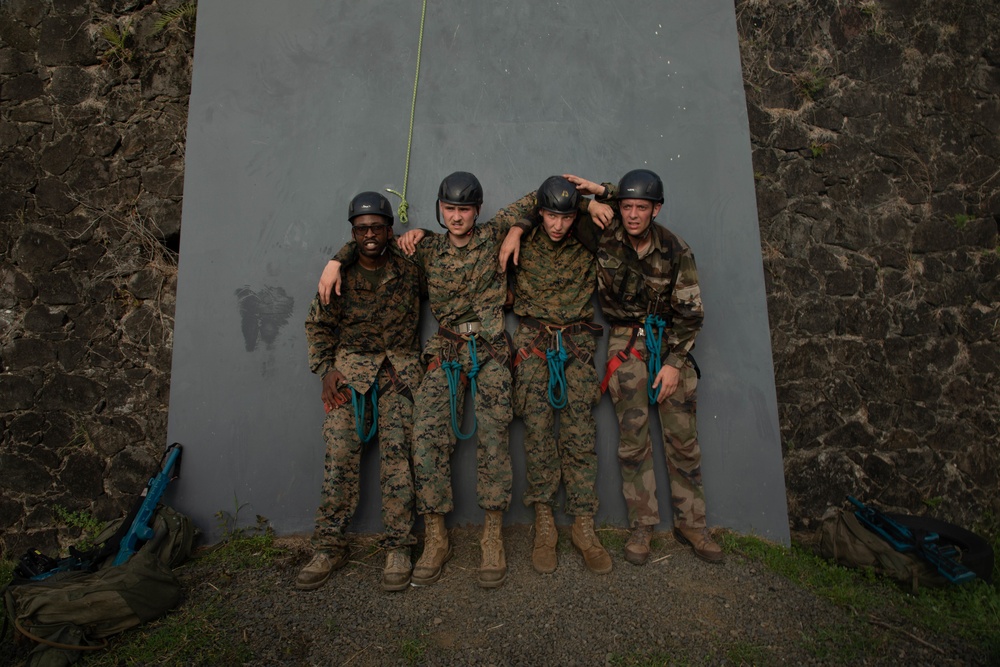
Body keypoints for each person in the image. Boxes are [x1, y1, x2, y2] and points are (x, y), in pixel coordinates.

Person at [318, 172, 536, 588]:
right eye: (450, 209)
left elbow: (536, 199)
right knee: (425, 438)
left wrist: (517, 231)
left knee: (493, 436)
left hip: (489, 348)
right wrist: (336, 260)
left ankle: (492, 537)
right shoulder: (425, 250)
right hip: (445, 352)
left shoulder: (492, 236)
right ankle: (436, 537)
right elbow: (372, 245)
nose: (456, 217)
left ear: (477, 211)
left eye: (464, 209)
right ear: (441, 209)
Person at [560, 170, 724, 564]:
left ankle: (693, 525)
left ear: (656, 209)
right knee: (633, 441)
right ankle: (643, 524)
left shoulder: (675, 249)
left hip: (669, 343)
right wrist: (596, 197)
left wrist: (672, 364)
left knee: (682, 439)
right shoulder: (603, 233)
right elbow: (554, 205)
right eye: (627, 206)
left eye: (641, 207)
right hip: (625, 342)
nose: (633, 214)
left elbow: (691, 314)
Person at [299, 191, 423, 592]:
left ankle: (398, 548)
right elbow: (317, 327)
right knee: (338, 456)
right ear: (353, 233)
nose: (369, 235)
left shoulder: (409, 266)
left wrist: (419, 232)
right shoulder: (338, 275)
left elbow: (447, 252)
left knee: (398, 462)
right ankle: (329, 546)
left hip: (400, 374)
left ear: (390, 229)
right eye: (361, 229)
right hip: (350, 376)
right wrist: (324, 370)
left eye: (376, 227)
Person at [501, 175, 613, 575]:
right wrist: (517, 228)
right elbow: (491, 222)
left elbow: (635, 213)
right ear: (540, 212)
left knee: (580, 435)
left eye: (564, 216)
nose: (557, 225)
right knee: (537, 434)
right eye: (550, 214)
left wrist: (591, 200)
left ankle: (584, 526)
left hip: (577, 346)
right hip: (533, 343)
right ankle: (545, 525)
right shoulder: (526, 236)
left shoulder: (586, 233)